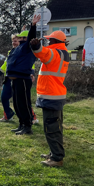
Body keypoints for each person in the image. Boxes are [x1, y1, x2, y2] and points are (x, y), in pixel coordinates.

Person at [30, 28, 70, 167]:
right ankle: (54, 153)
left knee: (51, 128)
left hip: (51, 96)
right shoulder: (62, 53)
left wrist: (36, 46)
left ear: (55, 41)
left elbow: (43, 52)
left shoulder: (55, 52)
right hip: (56, 95)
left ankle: (57, 158)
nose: (48, 41)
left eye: (50, 39)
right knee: (56, 127)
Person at [0, 34, 39, 123]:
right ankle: (8, 114)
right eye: (13, 41)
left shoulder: (24, 51)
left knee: (22, 99)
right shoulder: (11, 52)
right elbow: (5, 65)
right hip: (8, 78)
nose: (14, 42)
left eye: (16, 40)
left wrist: (31, 73)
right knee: (4, 97)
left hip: (20, 78)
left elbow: (31, 64)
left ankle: (32, 117)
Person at [5, 18, 39, 135]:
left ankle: (27, 126)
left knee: (24, 104)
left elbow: (31, 37)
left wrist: (33, 26)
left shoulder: (26, 47)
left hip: (23, 79)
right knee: (16, 103)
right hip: (15, 79)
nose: (17, 39)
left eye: (20, 37)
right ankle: (21, 124)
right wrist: (23, 30)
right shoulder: (18, 48)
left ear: (25, 39)